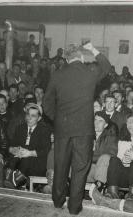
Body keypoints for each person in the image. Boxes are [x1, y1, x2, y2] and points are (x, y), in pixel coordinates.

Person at [43, 43, 111, 215]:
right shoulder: (89, 73)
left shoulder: (57, 74)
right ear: (80, 57)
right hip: (83, 131)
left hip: (62, 130)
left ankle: (58, 202)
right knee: (80, 169)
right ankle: (74, 208)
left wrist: (58, 119)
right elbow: (106, 66)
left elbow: (46, 104)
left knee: (60, 166)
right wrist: (93, 49)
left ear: (66, 58)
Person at [6, 103, 51, 188]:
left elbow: (45, 150)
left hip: (36, 162)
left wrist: (30, 153)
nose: (29, 118)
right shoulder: (20, 128)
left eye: (33, 116)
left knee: (26, 159)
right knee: (14, 158)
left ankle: (14, 181)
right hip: (20, 159)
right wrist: (14, 149)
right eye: (28, 114)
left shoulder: (44, 130)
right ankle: (14, 180)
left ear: (39, 118)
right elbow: (11, 145)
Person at [86, 112, 118, 193]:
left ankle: (99, 188)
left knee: (105, 157)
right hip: (83, 169)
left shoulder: (110, 137)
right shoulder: (86, 136)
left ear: (106, 125)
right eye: (95, 120)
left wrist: (90, 155)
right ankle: (66, 183)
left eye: (100, 121)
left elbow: (111, 154)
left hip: (99, 170)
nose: (96, 123)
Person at [106, 114, 133, 200]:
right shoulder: (122, 141)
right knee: (114, 159)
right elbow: (119, 161)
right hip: (125, 177)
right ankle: (112, 193)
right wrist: (124, 160)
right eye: (129, 122)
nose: (131, 125)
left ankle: (131, 195)